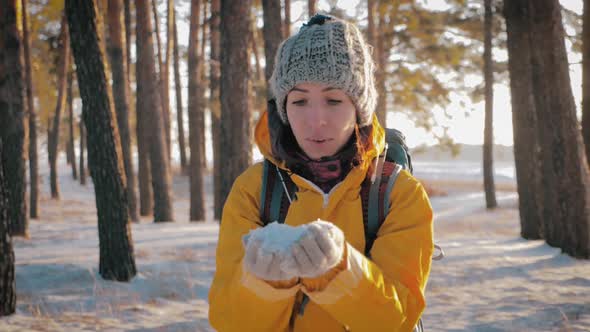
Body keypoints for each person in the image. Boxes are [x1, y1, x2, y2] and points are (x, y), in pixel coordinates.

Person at [208, 14, 434, 332]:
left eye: (333, 99)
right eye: (299, 101)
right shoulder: (254, 189)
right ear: (283, 109)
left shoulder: (396, 193)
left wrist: (339, 270)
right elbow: (229, 322)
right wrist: (262, 285)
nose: (316, 121)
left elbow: (396, 321)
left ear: (359, 108)